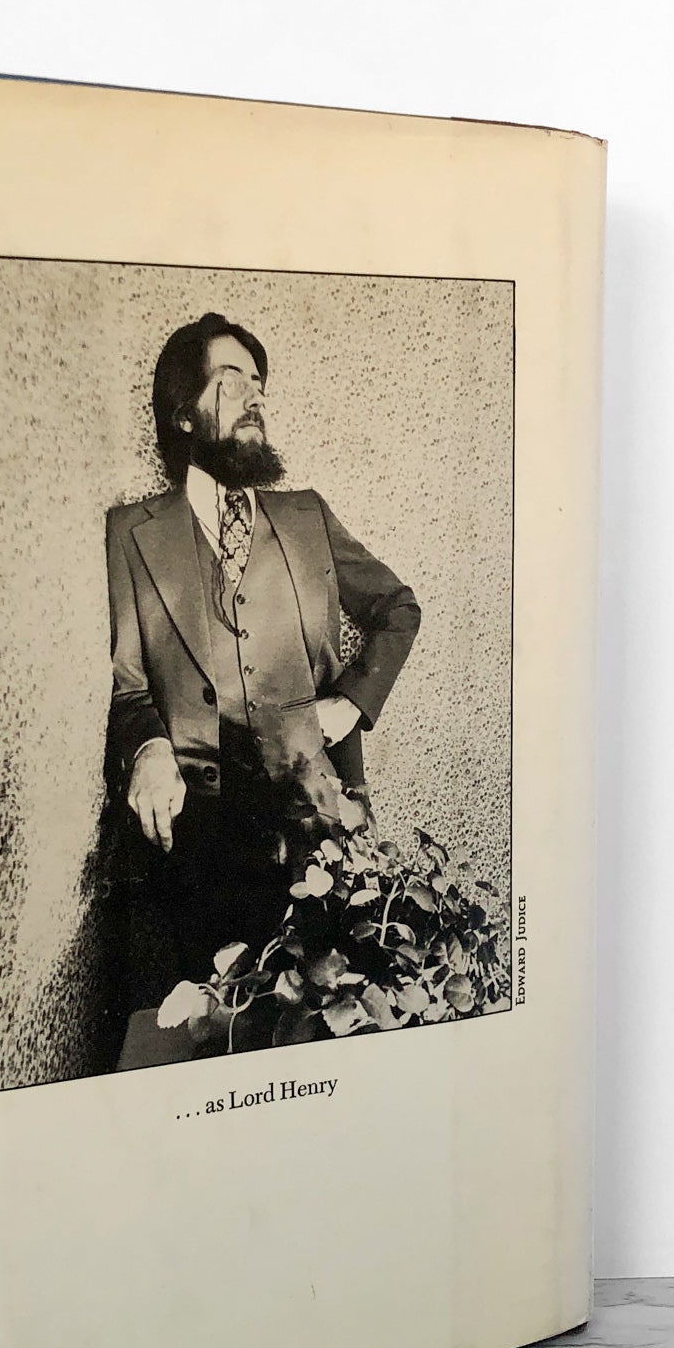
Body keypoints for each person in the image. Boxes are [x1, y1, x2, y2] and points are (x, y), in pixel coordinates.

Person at [105, 312, 421, 994]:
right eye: (231, 380)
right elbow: (128, 686)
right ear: (183, 413)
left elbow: (398, 608)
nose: (256, 397)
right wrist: (149, 750)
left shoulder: (307, 517)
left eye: (259, 384)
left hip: (316, 825)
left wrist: (350, 704)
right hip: (192, 846)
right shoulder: (131, 534)